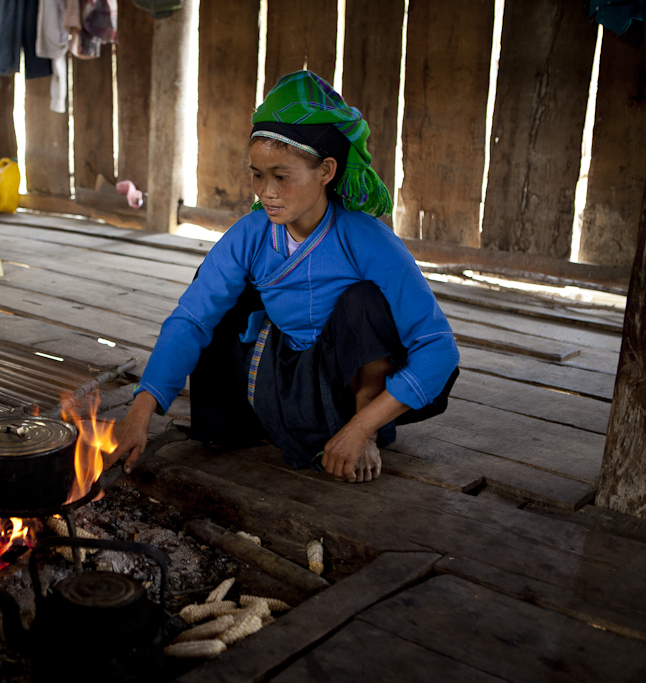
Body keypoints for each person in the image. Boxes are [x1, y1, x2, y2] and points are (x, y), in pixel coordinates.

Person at [107, 71, 460, 483]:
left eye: (282, 176)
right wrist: (140, 409)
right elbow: (191, 319)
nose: (266, 192)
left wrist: (361, 428)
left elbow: (439, 350)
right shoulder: (251, 235)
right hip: (276, 378)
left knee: (365, 302)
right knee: (216, 291)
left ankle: (366, 429)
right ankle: (251, 425)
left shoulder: (365, 238)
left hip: (349, 388)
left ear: (326, 170)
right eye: (257, 174)